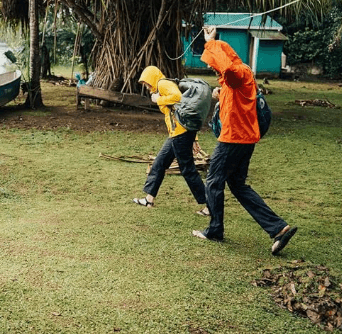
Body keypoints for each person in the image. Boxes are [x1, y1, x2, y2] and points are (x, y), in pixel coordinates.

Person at [192, 27, 297, 255]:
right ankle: (279, 228)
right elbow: (232, 87)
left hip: (234, 139)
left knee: (213, 182)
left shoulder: (237, 72)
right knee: (237, 184)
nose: (211, 66)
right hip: (245, 138)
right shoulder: (237, 78)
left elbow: (228, 69)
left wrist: (211, 42)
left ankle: (215, 230)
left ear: (223, 57)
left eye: (212, 61)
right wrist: (220, 93)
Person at [133, 66, 209, 215]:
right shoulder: (160, 86)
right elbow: (181, 112)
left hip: (180, 134)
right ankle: (149, 199)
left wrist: (158, 99)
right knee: (159, 164)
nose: (146, 86)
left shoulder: (162, 84)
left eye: (146, 83)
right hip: (177, 133)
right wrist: (194, 138)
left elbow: (179, 98)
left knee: (188, 170)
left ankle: (210, 205)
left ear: (152, 78)